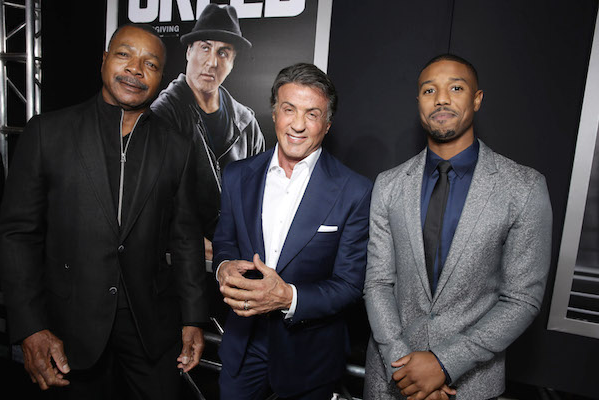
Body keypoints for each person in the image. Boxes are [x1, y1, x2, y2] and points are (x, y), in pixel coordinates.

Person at [0, 24, 216, 399]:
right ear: (103, 60)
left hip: (151, 327)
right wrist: (31, 327)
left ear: (161, 77)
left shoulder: (177, 147)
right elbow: (18, 234)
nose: (135, 69)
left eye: (150, 64)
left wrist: (194, 318)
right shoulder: (47, 133)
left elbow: (185, 238)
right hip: (68, 326)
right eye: (124, 55)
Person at [363, 54, 552, 400]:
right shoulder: (388, 185)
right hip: (390, 380)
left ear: (477, 99)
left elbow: (522, 299)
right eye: (429, 90)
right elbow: (377, 282)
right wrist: (404, 366)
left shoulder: (523, 187)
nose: (442, 99)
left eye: (456, 87)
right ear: (419, 101)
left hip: (468, 385)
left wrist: (443, 363)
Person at [212, 63, 372, 399]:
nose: (298, 125)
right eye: (289, 110)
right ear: (274, 113)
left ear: (327, 124)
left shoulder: (354, 191)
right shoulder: (237, 176)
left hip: (309, 358)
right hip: (243, 347)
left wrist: (288, 297)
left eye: (312, 114)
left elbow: (349, 285)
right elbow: (225, 242)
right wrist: (224, 267)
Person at [151, 4, 265, 261]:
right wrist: (193, 244)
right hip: (177, 265)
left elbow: (257, 201)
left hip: (235, 265)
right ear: (189, 51)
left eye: (223, 53)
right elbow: (150, 203)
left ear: (233, 63)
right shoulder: (163, 115)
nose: (212, 62)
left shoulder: (247, 123)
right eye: (205, 47)